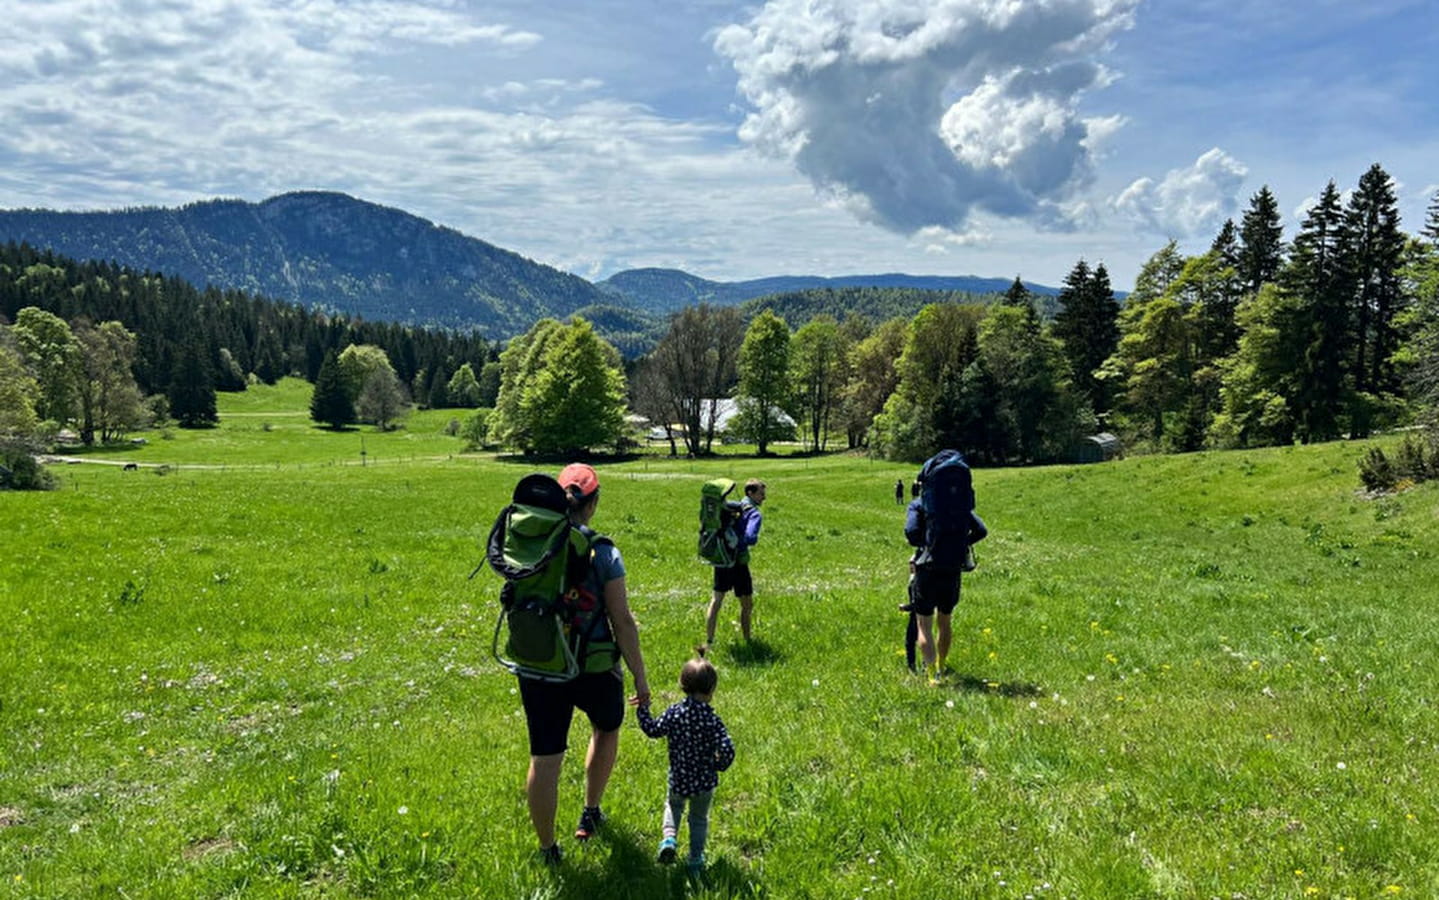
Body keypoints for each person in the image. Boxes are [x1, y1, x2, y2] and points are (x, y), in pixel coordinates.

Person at [517, 463, 650, 865]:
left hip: (539, 662)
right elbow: (622, 621)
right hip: (592, 664)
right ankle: (590, 812)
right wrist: (641, 681)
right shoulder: (603, 550)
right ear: (592, 504)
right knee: (606, 728)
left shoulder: (527, 541)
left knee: (545, 757)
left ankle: (547, 850)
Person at [634, 650, 735, 875]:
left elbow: (652, 729)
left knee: (674, 806)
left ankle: (669, 839)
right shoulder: (712, 720)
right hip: (704, 782)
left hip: (679, 778)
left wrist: (642, 709)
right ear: (711, 691)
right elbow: (728, 749)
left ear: (682, 685)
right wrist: (718, 765)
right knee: (699, 819)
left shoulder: (675, 713)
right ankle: (695, 859)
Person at [903, 466, 984, 683]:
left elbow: (911, 534)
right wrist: (957, 544)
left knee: (924, 624)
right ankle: (942, 665)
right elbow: (981, 530)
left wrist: (927, 544)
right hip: (952, 569)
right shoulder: (960, 506)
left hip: (926, 569)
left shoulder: (919, 505)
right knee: (945, 622)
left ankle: (931, 676)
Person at [705, 479, 766, 646]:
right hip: (738, 563)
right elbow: (750, 538)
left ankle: (709, 641)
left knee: (716, 600)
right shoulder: (754, 514)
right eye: (761, 493)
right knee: (747, 604)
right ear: (750, 493)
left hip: (722, 559)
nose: (764, 497)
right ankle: (747, 640)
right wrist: (743, 540)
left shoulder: (734, 506)